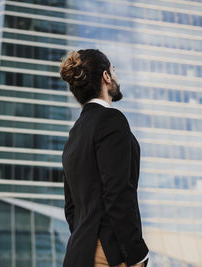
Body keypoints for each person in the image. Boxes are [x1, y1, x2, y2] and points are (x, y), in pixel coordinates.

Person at [59, 49, 150, 267]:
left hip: (78, 254)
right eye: (113, 70)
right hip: (108, 253)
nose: (116, 76)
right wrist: (137, 253)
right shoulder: (112, 120)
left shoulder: (73, 136)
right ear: (106, 77)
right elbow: (118, 192)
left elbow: (71, 209)